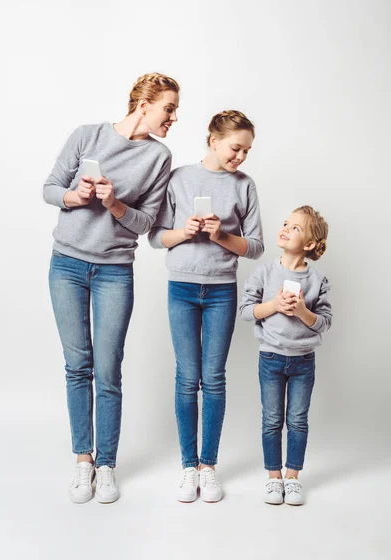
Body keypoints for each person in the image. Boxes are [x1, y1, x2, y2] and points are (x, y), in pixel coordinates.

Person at [44, 73, 180, 504]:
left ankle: (107, 466)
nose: (174, 117)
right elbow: (49, 189)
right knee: (76, 365)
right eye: (169, 108)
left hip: (114, 271)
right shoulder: (87, 136)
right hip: (66, 263)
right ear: (145, 104)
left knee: (108, 368)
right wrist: (76, 197)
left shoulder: (159, 157)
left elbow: (146, 224)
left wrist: (115, 203)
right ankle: (83, 462)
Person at [149, 110, 264, 502]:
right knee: (187, 377)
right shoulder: (178, 178)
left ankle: (208, 468)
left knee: (213, 378)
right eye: (236, 148)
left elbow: (256, 247)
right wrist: (187, 231)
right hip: (181, 288)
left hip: (221, 292)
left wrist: (222, 236)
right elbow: (156, 237)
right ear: (213, 140)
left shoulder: (245, 185)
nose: (241, 157)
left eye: (247, 150)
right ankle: (187, 467)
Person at [239, 205, 332, 505]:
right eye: (285, 223)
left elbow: (325, 321)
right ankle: (273, 477)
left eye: (295, 228)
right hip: (270, 359)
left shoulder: (317, 280)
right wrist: (275, 306)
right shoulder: (265, 272)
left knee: (298, 420)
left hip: (304, 361)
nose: (285, 229)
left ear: (308, 244)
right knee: (271, 419)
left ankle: (292, 477)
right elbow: (246, 311)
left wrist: (303, 312)